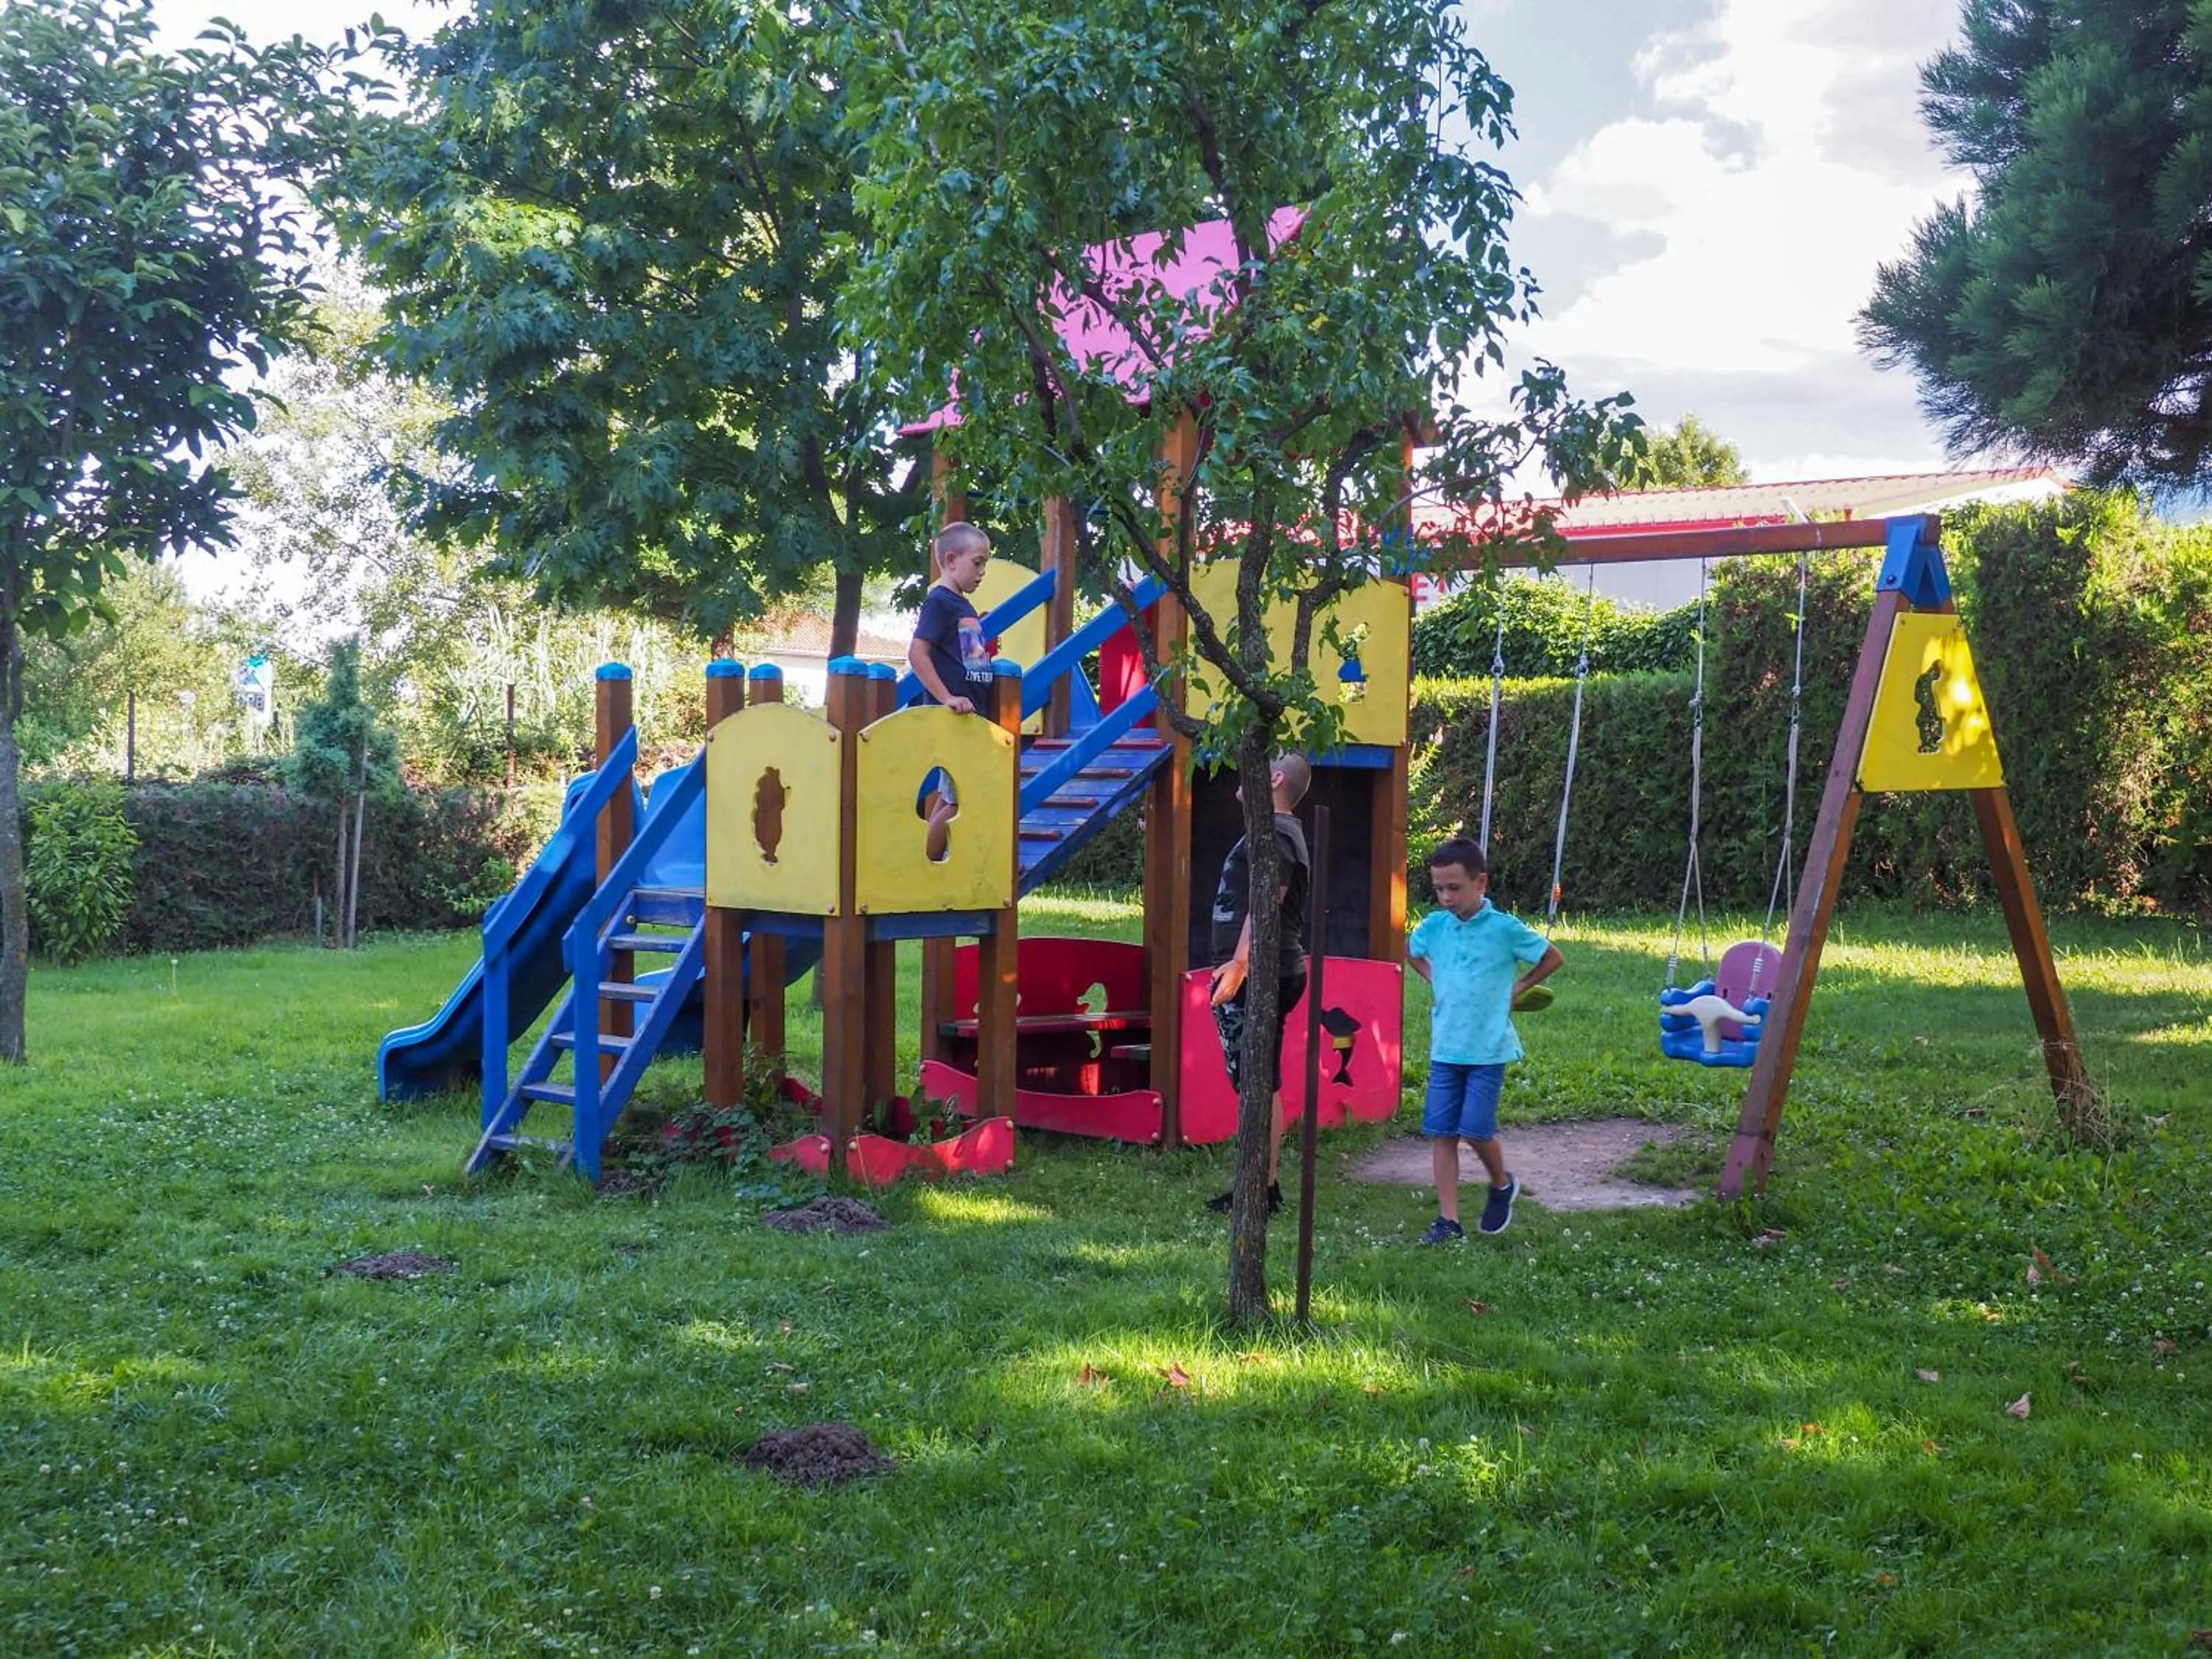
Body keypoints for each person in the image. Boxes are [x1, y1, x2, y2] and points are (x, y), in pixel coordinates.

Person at [1405, 837, 1562, 1243]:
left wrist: (1521, 986)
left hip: (1488, 1048)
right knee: (1443, 1133)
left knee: (1475, 1129)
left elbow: (1552, 956)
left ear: (1481, 884)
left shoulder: (1505, 930)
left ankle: (1501, 1183)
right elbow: (1412, 950)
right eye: (1438, 888)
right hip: (1445, 1047)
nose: (1445, 897)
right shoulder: (1435, 926)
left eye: (1454, 888)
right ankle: (1448, 1221)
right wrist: (1432, 977)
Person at [1204, 753, 1314, 1217]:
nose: (1238, 784)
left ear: (1273, 779)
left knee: (1256, 1082)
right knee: (1260, 1081)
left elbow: (1267, 905)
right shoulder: (1274, 833)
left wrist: (1240, 964)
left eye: (1257, 767)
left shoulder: (1279, 836)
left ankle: (1258, 1189)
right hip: (1263, 971)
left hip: (1263, 973)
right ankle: (1262, 1186)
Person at [906, 522, 995, 861]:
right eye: (978, 562)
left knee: (950, 798)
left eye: (985, 563)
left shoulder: (960, 605)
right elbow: (918, 654)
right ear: (951, 559)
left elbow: (969, 659)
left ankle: (933, 863)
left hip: (970, 719)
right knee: (959, 801)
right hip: (956, 718)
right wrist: (947, 698)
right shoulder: (940, 602)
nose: (983, 571)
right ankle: (924, 869)